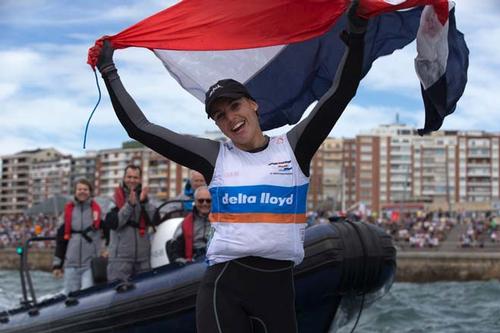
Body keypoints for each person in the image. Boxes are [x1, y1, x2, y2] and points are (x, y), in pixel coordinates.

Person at [97, 2, 367, 331]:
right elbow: (140, 128)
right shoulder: (216, 157)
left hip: (279, 290)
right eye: (220, 115)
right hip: (224, 287)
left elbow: (341, 92)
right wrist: (109, 70)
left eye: (235, 106)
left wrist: (356, 36)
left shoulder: (295, 148)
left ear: (253, 105)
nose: (231, 119)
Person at [104, 165, 157, 281]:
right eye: (129, 177)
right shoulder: (113, 198)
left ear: (140, 179)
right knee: (118, 294)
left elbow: (155, 220)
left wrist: (145, 202)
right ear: (123, 178)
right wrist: (129, 205)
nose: (132, 180)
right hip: (120, 259)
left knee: (145, 291)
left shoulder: (146, 197)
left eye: (135, 177)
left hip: (143, 259)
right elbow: (114, 223)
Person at [52, 179, 103, 294]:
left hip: (90, 264)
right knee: (71, 296)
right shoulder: (67, 212)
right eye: (79, 189)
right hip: (71, 264)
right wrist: (57, 265)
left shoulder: (98, 211)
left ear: (90, 192)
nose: (82, 192)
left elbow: (109, 232)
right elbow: (61, 242)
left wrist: (107, 249)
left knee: (88, 295)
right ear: (75, 192)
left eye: (85, 189)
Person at [167, 186, 212, 264]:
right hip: (194, 262)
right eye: (201, 201)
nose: (205, 203)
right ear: (195, 201)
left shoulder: (221, 221)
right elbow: (175, 248)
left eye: (208, 201)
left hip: (215, 262)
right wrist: (179, 259)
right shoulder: (185, 223)